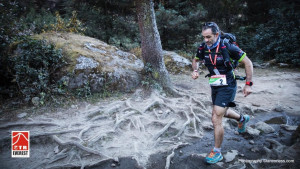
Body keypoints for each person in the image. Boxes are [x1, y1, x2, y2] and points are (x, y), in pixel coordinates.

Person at [191, 22, 253, 164]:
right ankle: (242, 119)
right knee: (223, 113)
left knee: (216, 117)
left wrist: (248, 84)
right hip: (215, 84)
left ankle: (217, 152)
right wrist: (195, 70)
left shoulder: (228, 46)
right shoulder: (203, 47)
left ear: (216, 34)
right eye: (204, 37)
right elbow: (195, 60)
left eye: (209, 37)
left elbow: (248, 63)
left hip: (228, 84)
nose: (206, 40)